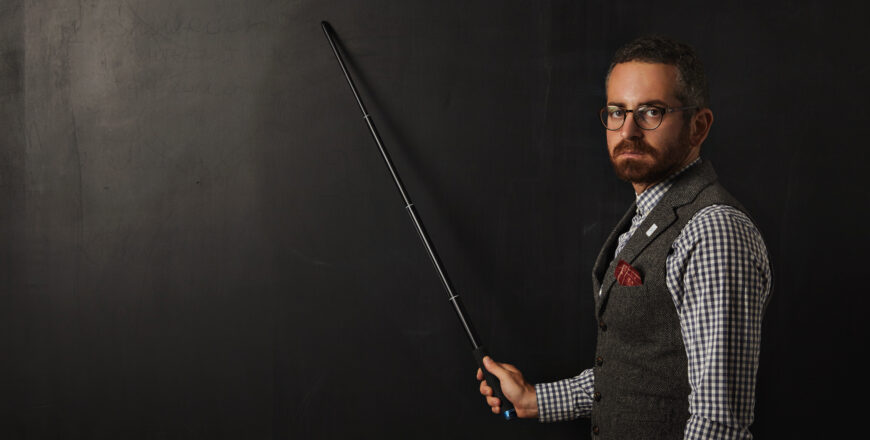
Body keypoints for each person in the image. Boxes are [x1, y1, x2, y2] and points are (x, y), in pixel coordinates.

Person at [476, 35, 772, 439]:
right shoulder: (650, 214)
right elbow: (635, 374)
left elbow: (718, 424)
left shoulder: (713, 230)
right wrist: (534, 399)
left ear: (698, 126)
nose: (628, 130)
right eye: (617, 112)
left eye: (651, 111)